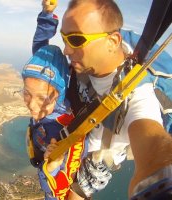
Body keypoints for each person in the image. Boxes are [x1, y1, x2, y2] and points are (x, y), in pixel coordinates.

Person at [32, 0, 172, 199]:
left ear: (112, 42)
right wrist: (47, 14)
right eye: (64, 39)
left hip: (99, 155)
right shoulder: (83, 65)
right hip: (81, 135)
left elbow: (153, 145)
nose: (66, 50)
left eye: (76, 40)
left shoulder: (138, 97)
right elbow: (42, 60)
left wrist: (160, 182)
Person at [22, 44, 88, 199]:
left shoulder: (71, 132)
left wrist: (51, 168)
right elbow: (39, 49)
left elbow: (61, 193)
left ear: (60, 95)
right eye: (26, 93)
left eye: (42, 98)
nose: (32, 105)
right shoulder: (48, 108)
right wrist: (47, 21)